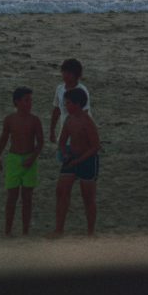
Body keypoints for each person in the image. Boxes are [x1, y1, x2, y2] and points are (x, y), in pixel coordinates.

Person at [50, 88, 101, 238]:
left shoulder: (87, 122)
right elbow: (62, 141)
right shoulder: (69, 119)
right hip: (72, 158)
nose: (66, 106)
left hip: (88, 160)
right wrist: (65, 154)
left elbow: (95, 146)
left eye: (68, 103)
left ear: (77, 104)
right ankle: (59, 230)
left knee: (88, 197)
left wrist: (79, 160)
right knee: (61, 191)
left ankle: (90, 232)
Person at [0, 87, 44, 236]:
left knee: (27, 198)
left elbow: (40, 142)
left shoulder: (35, 120)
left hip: (30, 159)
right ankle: (7, 231)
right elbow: (4, 139)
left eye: (30, 100)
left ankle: (25, 232)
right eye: (26, 100)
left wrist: (32, 158)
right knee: (12, 197)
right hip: (14, 159)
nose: (29, 103)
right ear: (17, 102)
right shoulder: (10, 119)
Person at [49, 58, 90, 144]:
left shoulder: (82, 91)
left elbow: (84, 114)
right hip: (64, 132)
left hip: (79, 135)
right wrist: (52, 130)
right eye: (64, 72)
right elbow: (56, 110)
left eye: (69, 73)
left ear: (76, 75)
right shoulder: (60, 89)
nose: (65, 75)